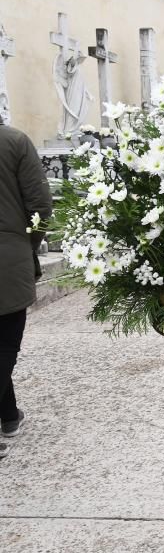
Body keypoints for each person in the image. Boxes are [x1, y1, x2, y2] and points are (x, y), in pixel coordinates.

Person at [0, 120, 53, 456]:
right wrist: (26, 245)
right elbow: (40, 207)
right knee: (5, 344)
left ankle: (8, 415)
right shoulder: (15, 141)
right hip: (6, 258)